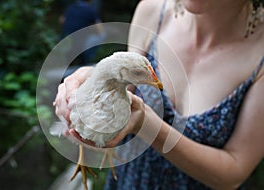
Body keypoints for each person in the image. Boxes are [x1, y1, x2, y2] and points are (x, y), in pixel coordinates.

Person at [54, 0, 264, 189]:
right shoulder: (152, 12)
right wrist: (92, 81)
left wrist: (145, 124)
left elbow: (233, 173)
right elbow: (123, 86)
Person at [59, 0, 105, 65]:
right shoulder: (90, 10)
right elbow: (99, 29)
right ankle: (86, 60)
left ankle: (71, 61)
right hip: (81, 41)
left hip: (66, 39)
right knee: (102, 35)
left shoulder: (70, 8)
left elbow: (62, 20)